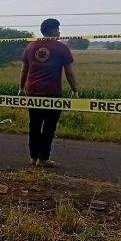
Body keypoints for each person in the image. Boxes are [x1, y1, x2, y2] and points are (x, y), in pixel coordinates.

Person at [19, 18, 79, 167]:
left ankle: (33, 157)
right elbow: (69, 73)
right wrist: (75, 90)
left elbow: (24, 70)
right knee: (49, 126)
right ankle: (43, 158)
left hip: (32, 91)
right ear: (52, 30)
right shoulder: (61, 48)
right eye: (58, 29)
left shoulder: (30, 46)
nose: (59, 32)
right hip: (52, 92)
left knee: (34, 125)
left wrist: (21, 88)